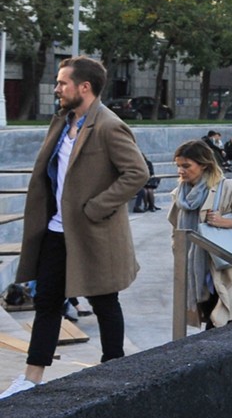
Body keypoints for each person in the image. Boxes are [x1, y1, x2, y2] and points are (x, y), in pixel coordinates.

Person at [3, 57, 150, 398]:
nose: (56, 88)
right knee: (47, 303)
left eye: (62, 83)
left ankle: (115, 373)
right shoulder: (61, 121)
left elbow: (137, 173)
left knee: (104, 303)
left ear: (84, 87)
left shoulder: (109, 126)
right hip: (56, 232)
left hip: (92, 233)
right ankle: (30, 378)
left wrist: (96, 207)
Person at [168, 138, 232, 329]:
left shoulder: (229, 188)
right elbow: (176, 230)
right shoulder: (179, 195)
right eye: (178, 166)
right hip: (197, 273)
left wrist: (227, 222)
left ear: (204, 165)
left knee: (226, 328)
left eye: (186, 166)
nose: (180, 171)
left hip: (230, 273)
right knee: (212, 327)